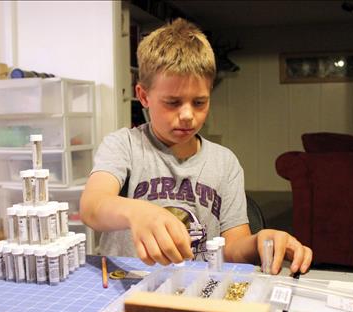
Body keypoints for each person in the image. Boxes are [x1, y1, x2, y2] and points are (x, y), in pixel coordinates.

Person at [80, 18, 312, 274]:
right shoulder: (124, 145)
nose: (188, 115)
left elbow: (233, 247)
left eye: (199, 102)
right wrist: (137, 212)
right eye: (173, 102)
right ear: (144, 96)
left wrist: (259, 242)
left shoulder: (225, 163)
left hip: (196, 287)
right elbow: (92, 207)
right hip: (127, 282)